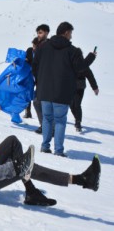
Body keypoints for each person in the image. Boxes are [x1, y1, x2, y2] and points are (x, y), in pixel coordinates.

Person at [32, 22, 96, 156]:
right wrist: (91, 56)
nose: (71, 36)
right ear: (66, 32)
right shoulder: (72, 51)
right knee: (60, 120)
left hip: (44, 91)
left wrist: (40, 82)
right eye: (71, 33)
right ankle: (58, 150)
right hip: (61, 93)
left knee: (47, 119)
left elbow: (35, 66)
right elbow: (80, 67)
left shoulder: (43, 47)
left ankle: (45, 146)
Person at [70, 48, 99, 132]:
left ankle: (78, 122)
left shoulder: (84, 66)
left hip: (79, 87)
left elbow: (91, 77)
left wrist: (95, 88)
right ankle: (77, 119)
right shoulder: (70, 63)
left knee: (77, 104)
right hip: (70, 87)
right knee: (71, 105)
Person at [32, 24, 50, 133]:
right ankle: (45, 126)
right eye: (38, 32)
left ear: (47, 33)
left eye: (41, 32)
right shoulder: (39, 46)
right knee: (38, 103)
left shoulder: (48, 46)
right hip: (40, 80)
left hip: (46, 80)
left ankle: (47, 127)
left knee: (40, 103)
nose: (39, 34)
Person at [23, 37, 39, 119]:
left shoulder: (42, 53)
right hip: (30, 76)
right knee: (28, 93)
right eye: (33, 45)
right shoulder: (29, 50)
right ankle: (28, 112)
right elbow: (26, 60)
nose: (34, 47)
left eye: (35, 45)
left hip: (40, 77)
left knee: (39, 96)